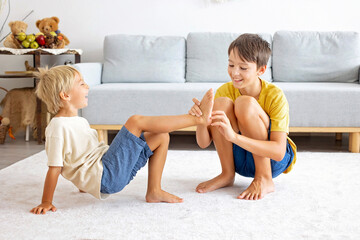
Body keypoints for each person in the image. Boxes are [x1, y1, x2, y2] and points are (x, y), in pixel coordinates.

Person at [30, 65, 214, 215]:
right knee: (135, 121)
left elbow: (79, 160)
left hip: (109, 174)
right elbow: (55, 168)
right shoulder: (57, 127)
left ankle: (154, 191)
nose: (87, 86)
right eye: (81, 84)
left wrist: (84, 185)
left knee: (160, 136)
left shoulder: (79, 121)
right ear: (65, 95)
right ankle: (197, 119)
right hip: (107, 176)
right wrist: (46, 201)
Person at [189, 33, 297, 200]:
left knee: (244, 104)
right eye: (231, 65)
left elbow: (278, 152)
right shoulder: (224, 91)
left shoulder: (275, 96)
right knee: (222, 103)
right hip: (240, 160)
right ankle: (226, 174)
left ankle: (264, 178)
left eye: (243, 68)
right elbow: (203, 143)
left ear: (261, 70)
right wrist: (201, 120)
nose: (235, 72)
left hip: (272, 161)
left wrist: (234, 137)